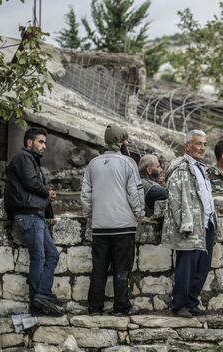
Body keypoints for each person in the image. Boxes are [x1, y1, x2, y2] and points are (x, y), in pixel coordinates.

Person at [80, 124, 145, 316]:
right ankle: (121, 307)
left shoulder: (94, 163)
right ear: (122, 141)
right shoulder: (128, 163)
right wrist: (139, 214)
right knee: (122, 269)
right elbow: (135, 193)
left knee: (98, 268)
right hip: (123, 226)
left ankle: (94, 308)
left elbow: (85, 195)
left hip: (100, 226)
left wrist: (92, 215)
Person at [4, 127, 63, 316]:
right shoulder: (24, 158)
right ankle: (37, 305)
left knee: (51, 255)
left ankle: (42, 296)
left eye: (45, 142)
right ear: (29, 143)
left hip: (35, 215)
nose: (44, 146)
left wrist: (46, 196)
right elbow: (30, 182)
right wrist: (47, 192)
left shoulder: (32, 161)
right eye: (41, 142)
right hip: (27, 214)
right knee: (40, 258)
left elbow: (33, 184)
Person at [162, 130, 216, 318]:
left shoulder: (200, 167)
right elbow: (176, 199)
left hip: (206, 224)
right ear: (187, 146)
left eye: (204, 144)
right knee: (186, 266)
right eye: (198, 143)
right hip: (191, 225)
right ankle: (179, 305)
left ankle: (192, 302)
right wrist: (185, 223)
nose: (202, 148)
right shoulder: (181, 168)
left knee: (202, 266)